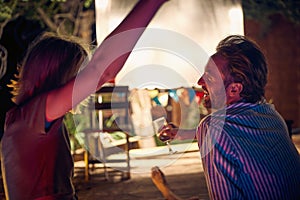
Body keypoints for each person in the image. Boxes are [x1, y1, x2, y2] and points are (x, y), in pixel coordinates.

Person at [0, 0, 169, 199]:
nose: (83, 84)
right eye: (78, 73)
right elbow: (102, 70)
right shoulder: (33, 115)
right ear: (58, 75)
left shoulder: (26, 118)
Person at [152, 35, 300, 199]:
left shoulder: (213, 127)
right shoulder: (270, 115)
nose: (200, 81)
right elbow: (238, 134)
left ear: (234, 89)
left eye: (210, 76)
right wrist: (185, 133)